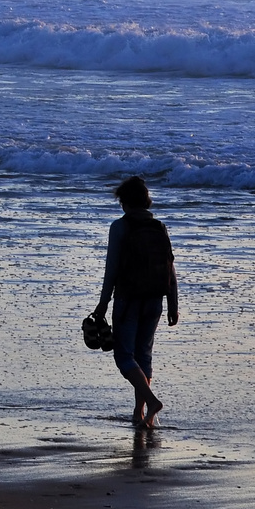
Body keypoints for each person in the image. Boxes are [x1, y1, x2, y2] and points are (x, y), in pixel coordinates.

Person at [91, 176, 179, 428]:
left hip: (128, 300)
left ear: (123, 201)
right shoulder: (159, 227)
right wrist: (173, 303)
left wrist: (103, 304)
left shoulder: (119, 227)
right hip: (155, 300)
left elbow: (112, 269)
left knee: (124, 357)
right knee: (144, 355)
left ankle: (151, 402)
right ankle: (140, 415)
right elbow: (170, 269)